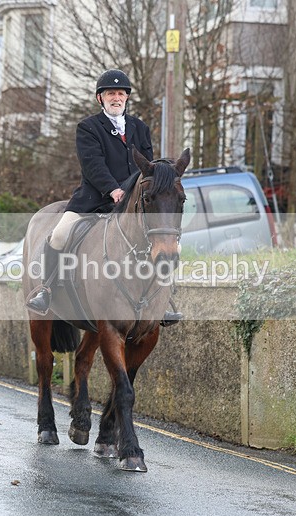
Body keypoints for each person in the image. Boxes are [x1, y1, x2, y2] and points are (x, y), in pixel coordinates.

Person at [26, 69, 182, 325]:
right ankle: (47, 289)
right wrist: (113, 189)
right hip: (94, 199)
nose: (116, 98)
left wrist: (138, 193)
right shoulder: (88, 127)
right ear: (101, 98)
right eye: (111, 93)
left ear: (127, 97)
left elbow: (147, 167)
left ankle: (162, 300)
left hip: (132, 203)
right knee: (59, 235)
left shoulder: (140, 128)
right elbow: (92, 165)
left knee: (163, 241)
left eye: (120, 93)